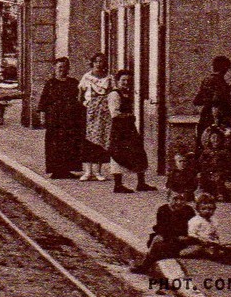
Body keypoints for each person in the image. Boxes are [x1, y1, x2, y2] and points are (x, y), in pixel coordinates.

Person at [131, 187, 197, 275]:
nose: (179, 202)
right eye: (175, 199)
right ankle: (145, 265)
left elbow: (193, 228)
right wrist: (174, 237)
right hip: (168, 238)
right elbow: (162, 229)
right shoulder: (163, 210)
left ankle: (146, 264)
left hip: (183, 240)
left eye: (182, 199)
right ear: (169, 199)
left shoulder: (188, 211)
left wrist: (186, 237)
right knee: (158, 242)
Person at [36, 56, 82, 178]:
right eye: (60, 67)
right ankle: (56, 171)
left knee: (70, 144)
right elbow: (43, 102)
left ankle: (67, 170)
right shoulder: (50, 84)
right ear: (55, 68)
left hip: (70, 119)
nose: (62, 70)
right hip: (54, 120)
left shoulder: (73, 83)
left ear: (68, 69)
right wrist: (42, 117)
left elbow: (80, 100)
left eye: (65, 67)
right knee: (54, 145)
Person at [108, 73, 154, 192]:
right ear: (118, 81)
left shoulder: (127, 94)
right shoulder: (114, 94)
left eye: (128, 80)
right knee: (119, 153)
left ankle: (141, 183)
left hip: (129, 127)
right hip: (119, 128)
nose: (126, 83)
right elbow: (114, 113)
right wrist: (129, 115)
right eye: (123, 80)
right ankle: (118, 185)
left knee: (138, 151)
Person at [77, 53, 113, 181]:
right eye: (96, 61)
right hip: (89, 112)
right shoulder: (86, 77)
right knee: (87, 141)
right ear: (92, 63)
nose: (99, 64)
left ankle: (98, 172)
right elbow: (80, 95)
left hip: (103, 114)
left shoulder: (109, 78)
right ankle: (87, 171)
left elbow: (111, 95)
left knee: (100, 140)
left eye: (101, 61)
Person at [193, 55, 231, 142]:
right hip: (217, 119)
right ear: (225, 68)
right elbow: (218, 100)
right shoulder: (219, 82)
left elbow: (197, 101)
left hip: (205, 117)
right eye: (228, 68)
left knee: (203, 144)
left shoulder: (207, 80)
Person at [195, 125, 231, 202]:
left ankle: (221, 194)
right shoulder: (206, 151)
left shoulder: (224, 152)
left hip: (220, 172)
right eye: (213, 138)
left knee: (219, 180)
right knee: (202, 178)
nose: (215, 140)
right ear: (209, 139)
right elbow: (201, 162)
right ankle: (204, 192)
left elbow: (229, 164)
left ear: (221, 139)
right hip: (208, 171)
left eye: (218, 138)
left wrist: (222, 170)